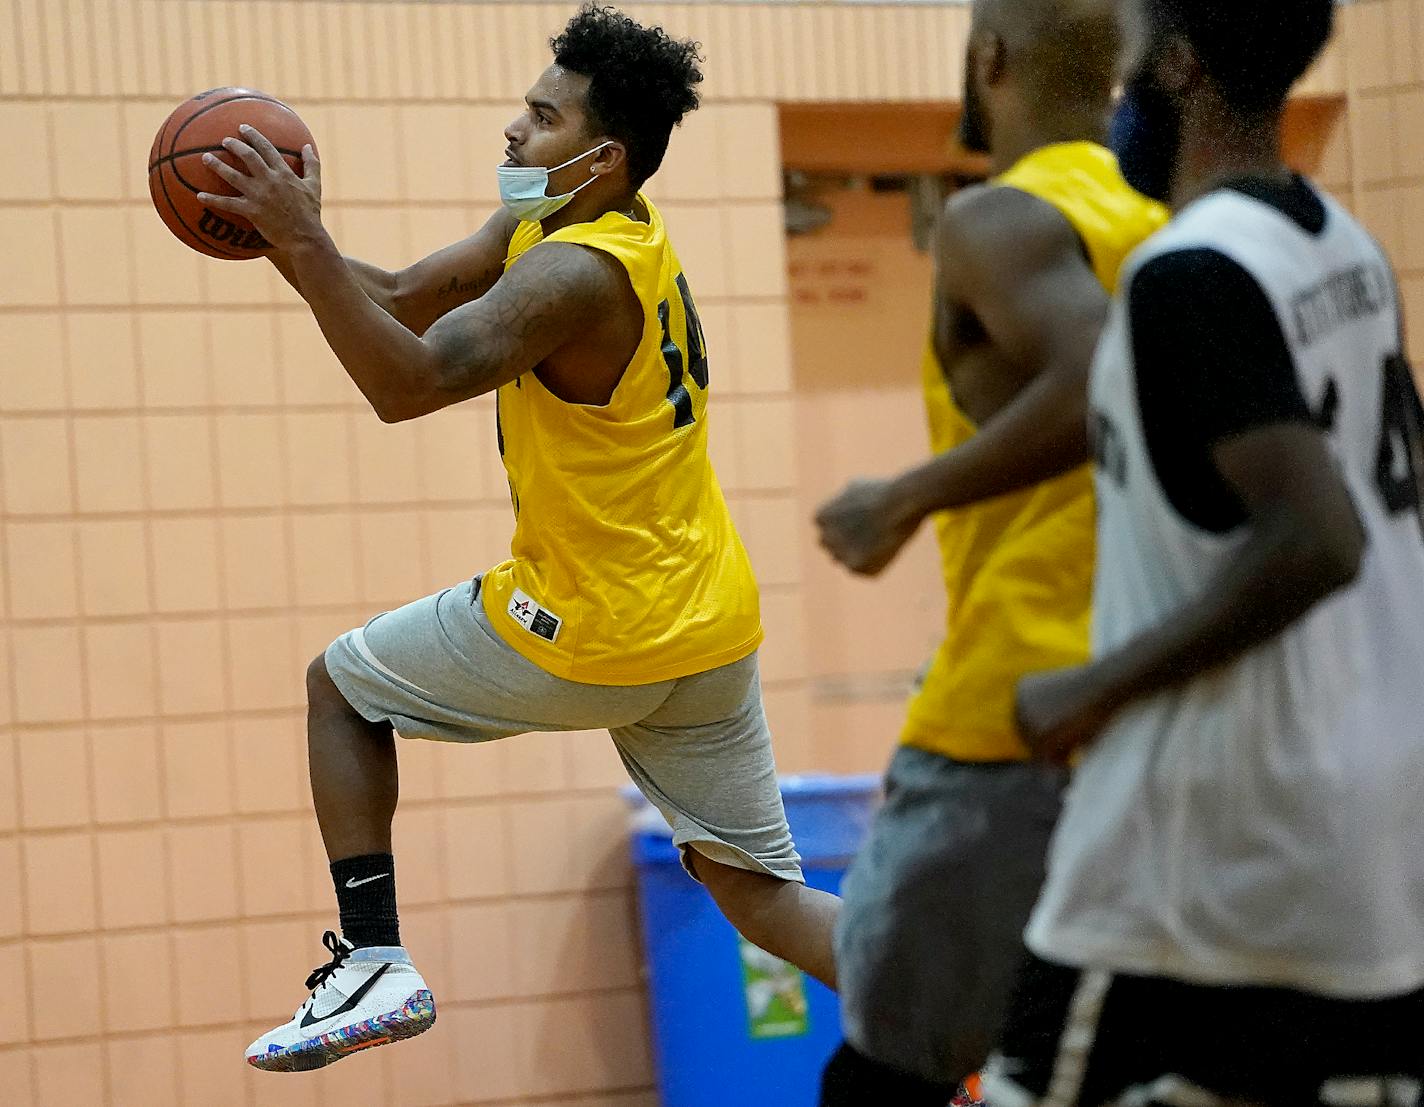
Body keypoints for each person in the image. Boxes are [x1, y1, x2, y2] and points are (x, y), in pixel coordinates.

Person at [195, 3, 840, 1072]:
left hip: (597, 618)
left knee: (340, 690)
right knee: (762, 897)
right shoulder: (573, 228)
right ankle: (967, 1041)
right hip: (707, 626)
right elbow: (402, 299)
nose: (512, 129)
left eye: (540, 117)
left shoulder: (573, 278)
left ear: (601, 155)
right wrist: (285, 243)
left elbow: (408, 385)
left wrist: (305, 243)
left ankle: (373, 961)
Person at [980, 1, 1424, 1104]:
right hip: (1365, 836)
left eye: (1130, 64)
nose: (1116, 94)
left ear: (1177, 65)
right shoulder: (1341, 246)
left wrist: (1089, 686)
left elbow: (1317, 537)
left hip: (1194, 847)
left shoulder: (1189, 273)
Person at [813, 1, 1165, 1102]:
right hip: (1161, 693)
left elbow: (1098, 370)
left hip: (1010, 713)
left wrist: (907, 496)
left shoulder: (996, 220)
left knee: (881, 1073)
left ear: (990, 57)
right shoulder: (1168, 222)